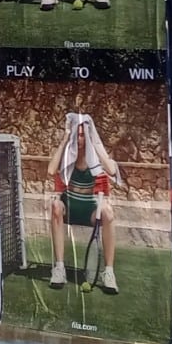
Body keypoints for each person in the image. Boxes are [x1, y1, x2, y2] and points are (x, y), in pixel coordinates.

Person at [47, 111, 123, 294]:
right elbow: (51, 170)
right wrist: (65, 139)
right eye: (78, 134)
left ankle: (109, 273)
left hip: (89, 207)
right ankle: (59, 269)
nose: (80, 138)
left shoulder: (95, 156)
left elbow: (112, 170)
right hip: (70, 205)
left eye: (83, 134)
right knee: (56, 206)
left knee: (108, 213)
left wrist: (94, 142)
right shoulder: (67, 154)